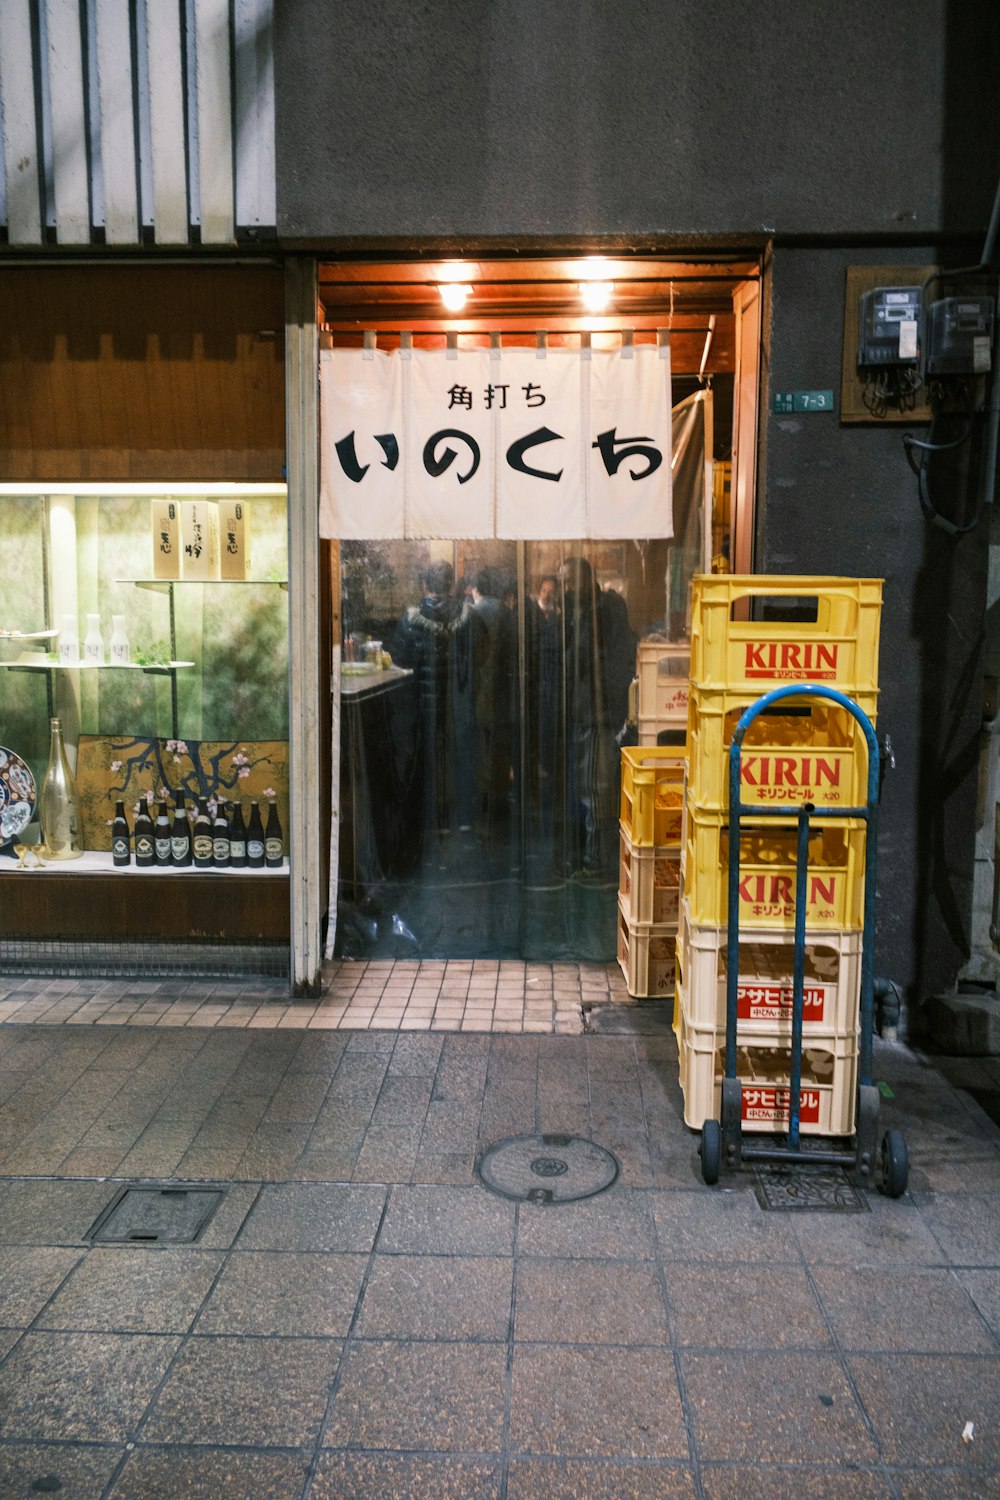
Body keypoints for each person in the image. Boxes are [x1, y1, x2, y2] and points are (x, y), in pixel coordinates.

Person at [559, 556, 636, 877]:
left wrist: (609, 707)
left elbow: (613, 661)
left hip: (597, 713)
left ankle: (596, 863)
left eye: (569, 582)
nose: (564, 589)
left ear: (584, 581)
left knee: (595, 790)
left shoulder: (602, 610)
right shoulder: (582, 612)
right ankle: (591, 858)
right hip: (585, 711)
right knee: (588, 788)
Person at [390, 560, 477, 843]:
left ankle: (428, 822)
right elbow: (480, 657)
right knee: (459, 758)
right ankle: (461, 820)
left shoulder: (410, 619)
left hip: (421, 704)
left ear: (425, 585)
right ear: (452, 585)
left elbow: (398, 659)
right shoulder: (468, 616)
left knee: (424, 761)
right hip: (459, 703)